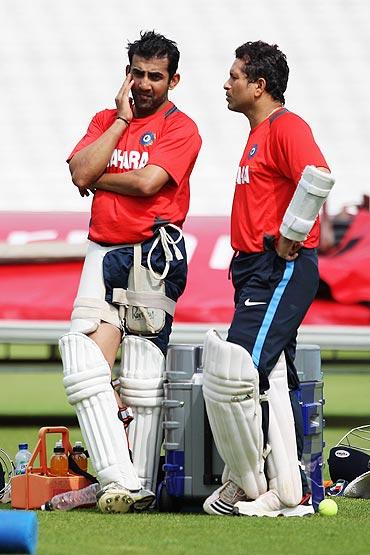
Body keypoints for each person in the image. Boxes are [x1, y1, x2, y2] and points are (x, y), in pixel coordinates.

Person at [59, 30, 201, 514]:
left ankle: (132, 481)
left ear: (173, 80)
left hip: (150, 253)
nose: (144, 84)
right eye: (137, 73)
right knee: (86, 367)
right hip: (102, 250)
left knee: (140, 378)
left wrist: (98, 176)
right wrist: (120, 121)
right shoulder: (106, 118)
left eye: (155, 76)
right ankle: (119, 480)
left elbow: (147, 182)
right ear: (127, 73)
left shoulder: (181, 127)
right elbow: (79, 172)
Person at [202, 40, 334, 517]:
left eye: (234, 75)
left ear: (259, 86)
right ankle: (292, 488)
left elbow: (317, 177)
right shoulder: (260, 132)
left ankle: (252, 485)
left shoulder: (286, 126)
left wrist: (290, 236)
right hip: (255, 269)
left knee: (240, 373)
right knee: (276, 376)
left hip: (277, 267)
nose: (226, 82)